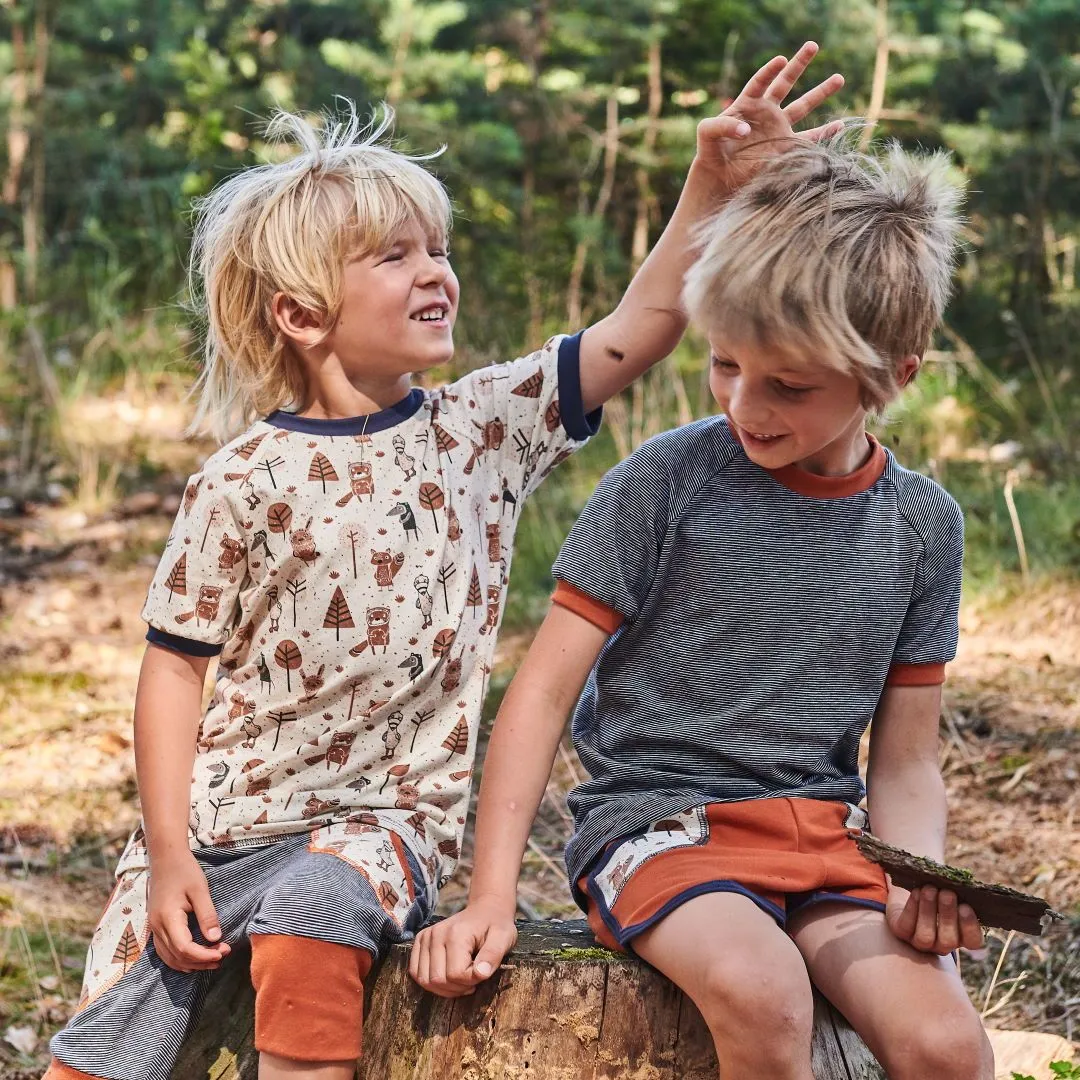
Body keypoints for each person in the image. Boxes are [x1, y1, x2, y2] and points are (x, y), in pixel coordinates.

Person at [43, 45, 843, 1080]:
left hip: (381, 827)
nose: (437, 271)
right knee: (98, 1049)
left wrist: (711, 186)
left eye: (439, 248)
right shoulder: (238, 480)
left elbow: (638, 329)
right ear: (299, 313)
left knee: (312, 921)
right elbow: (175, 668)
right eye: (394, 257)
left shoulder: (484, 428)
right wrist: (166, 853)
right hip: (219, 826)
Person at [411, 134, 995, 1080]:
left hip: (826, 843)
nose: (744, 405)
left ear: (896, 375)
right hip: (661, 829)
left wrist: (914, 874)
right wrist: (490, 896)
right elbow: (541, 695)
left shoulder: (924, 526)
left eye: (788, 386)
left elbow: (908, 760)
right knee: (765, 995)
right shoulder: (666, 482)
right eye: (725, 364)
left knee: (948, 1046)